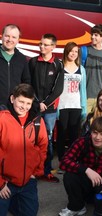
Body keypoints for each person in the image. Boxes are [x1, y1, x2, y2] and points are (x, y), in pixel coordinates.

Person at [59, 117, 102, 216]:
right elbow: (64, 162)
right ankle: (77, 207)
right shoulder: (82, 142)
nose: (97, 137)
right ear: (91, 132)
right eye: (95, 132)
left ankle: (98, 200)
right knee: (69, 176)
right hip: (86, 181)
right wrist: (86, 170)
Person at [0, 84, 48, 216]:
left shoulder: (37, 121)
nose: (24, 106)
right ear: (12, 99)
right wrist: (0, 183)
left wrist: (37, 171)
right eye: (20, 101)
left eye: (28, 103)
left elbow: (43, 146)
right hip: (5, 182)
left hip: (28, 181)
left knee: (30, 213)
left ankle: (14, 203)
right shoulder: (2, 119)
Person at [29, 33, 64, 183]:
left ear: (53, 47)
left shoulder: (58, 64)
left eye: (45, 44)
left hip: (49, 111)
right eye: (40, 44)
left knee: (48, 141)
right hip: (35, 108)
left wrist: (46, 103)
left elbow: (58, 89)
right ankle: (31, 171)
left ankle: (47, 171)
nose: (42, 47)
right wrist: (37, 103)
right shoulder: (32, 62)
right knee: (31, 140)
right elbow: (28, 84)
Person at [56, 42, 87, 165]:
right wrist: (56, 107)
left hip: (76, 106)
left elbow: (83, 90)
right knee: (62, 134)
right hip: (62, 106)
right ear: (66, 52)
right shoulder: (60, 66)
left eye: (75, 51)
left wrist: (83, 108)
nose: (73, 53)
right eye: (71, 51)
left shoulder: (81, 69)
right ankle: (61, 160)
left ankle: (72, 160)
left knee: (74, 135)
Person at [0, 24, 30, 105]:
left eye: (14, 37)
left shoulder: (22, 59)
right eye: (7, 36)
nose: (10, 39)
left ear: (18, 40)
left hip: (13, 106)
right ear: (2, 36)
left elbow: (26, 82)